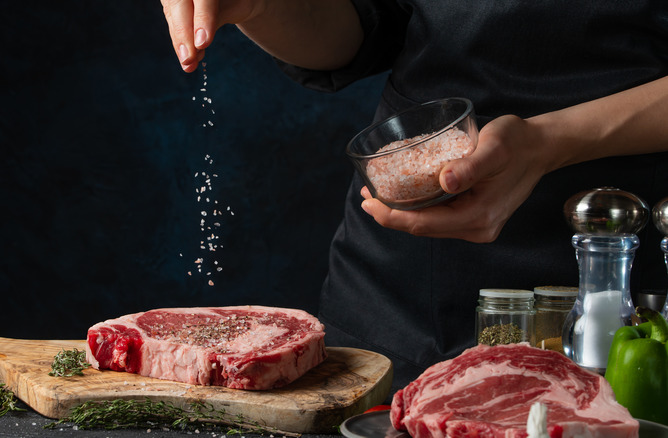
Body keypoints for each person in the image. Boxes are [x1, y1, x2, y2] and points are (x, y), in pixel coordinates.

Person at [160, 0, 668, 392]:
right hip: (396, 291)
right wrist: (264, 7)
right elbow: (362, 24)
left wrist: (548, 142)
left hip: (614, 273)